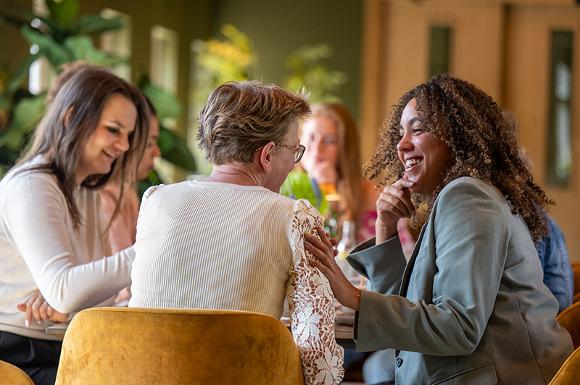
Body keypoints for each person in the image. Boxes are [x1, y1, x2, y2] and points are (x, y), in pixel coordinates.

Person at [305, 74, 573, 385]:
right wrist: (387, 229)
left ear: (457, 138)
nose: (402, 144)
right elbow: (407, 312)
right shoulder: (461, 197)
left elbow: (459, 327)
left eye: (417, 130)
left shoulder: (468, 197)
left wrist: (352, 296)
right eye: (401, 132)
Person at [129, 81, 344, 385]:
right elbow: (318, 363)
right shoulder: (294, 217)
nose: (294, 165)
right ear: (267, 155)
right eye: (294, 150)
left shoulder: (155, 200)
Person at [0, 66, 149, 385]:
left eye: (128, 135)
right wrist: (151, 250)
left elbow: (83, 294)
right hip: (17, 353)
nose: (123, 146)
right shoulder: (32, 185)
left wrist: (67, 298)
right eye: (113, 130)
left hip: (65, 343)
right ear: (70, 118)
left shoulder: (86, 189)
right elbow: (67, 290)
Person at [282, 103, 378, 242]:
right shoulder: (283, 185)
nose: (317, 148)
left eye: (329, 140)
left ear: (345, 150)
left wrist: (330, 191)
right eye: (312, 137)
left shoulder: (368, 193)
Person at [100, 97, 161, 253]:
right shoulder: (103, 196)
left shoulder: (126, 191)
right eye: (149, 144)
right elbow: (129, 267)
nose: (157, 152)